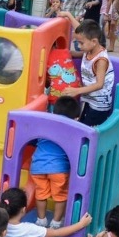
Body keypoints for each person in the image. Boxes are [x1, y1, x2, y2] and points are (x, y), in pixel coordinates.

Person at [31, 96, 81, 228]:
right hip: (59, 168)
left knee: (41, 193)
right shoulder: (73, 129)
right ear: (76, 118)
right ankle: (56, 222)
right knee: (60, 195)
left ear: (53, 111)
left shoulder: (45, 124)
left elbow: (33, 139)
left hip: (37, 166)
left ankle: (41, 220)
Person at [68, 21, 115, 126]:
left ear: (94, 41)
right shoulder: (88, 51)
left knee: (90, 130)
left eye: (81, 43)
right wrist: (69, 54)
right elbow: (81, 54)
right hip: (89, 100)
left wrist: (77, 91)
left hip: (99, 106)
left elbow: (99, 84)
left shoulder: (101, 60)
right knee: (82, 124)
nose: (79, 46)